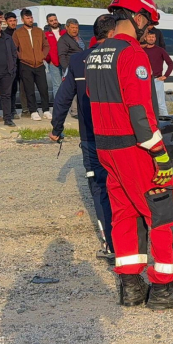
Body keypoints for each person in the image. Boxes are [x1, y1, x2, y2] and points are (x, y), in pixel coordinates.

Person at [85, 0, 173, 309]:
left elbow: (94, 100)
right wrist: (160, 154)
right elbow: (139, 112)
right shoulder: (132, 54)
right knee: (165, 214)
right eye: (148, 26)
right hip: (134, 148)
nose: (148, 32)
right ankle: (163, 288)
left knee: (125, 215)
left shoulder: (97, 53)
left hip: (106, 148)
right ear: (137, 17)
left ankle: (131, 287)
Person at [50, 14, 117, 260]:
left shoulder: (78, 60)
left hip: (90, 137)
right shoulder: (121, 56)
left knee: (100, 188)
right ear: (111, 34)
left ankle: (112, 244)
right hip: (121, 137)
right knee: (122, 185)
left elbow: (63, 98)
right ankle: (134, 242)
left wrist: (56, 129)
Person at [13, 8, 52, 121]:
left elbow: (46, 46)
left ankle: (46, 110)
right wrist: (22, 57)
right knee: (29, 90)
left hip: (39, 64)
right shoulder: (18, 33)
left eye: (31, 18)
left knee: (43, 88)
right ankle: (33, 111)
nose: (30, 20)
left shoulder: (39, 31)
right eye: (27, 18)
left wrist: (42, 56)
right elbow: (14, 48)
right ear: (22, 19)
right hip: (26, 65)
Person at [142, 29, 173, 116]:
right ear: (145, 38)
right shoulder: (141, 50)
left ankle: (166, 123)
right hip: (144, 80)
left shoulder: (160, 50)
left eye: (153, 37)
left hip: (157, 80)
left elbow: (171, 64)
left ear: (155, 39)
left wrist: (165, 76)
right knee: (145, 103)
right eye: (149, 37)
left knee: (161, 104)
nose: (151, 39)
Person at [58, 18, 85, 118]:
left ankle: (79, 110)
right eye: (72, 27)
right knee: (72, 91)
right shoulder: (64, 39)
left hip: (81, 68)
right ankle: (74, 111)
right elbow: (62, 55)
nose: (75, 30)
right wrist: (66, 69)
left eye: (76, 28)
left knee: (80, 90)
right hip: (70, 69)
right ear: (67, 28)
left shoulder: (79, 38)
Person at [4, 12, 26, 119]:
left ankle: (25, 109)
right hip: (11, 65)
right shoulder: (5, 34)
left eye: (14, 21)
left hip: (22, 64)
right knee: (11, 89)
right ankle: (11, 110)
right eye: (10, 21)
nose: (13, 23)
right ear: (6, 22)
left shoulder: (20, 32)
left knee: (23, 88)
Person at [44, 13, 65, 101]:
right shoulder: (46, 33)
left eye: (55, 20)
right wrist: (49, 60)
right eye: (51, 21)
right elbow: (44, 48)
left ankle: (68, 107)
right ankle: (58, 106)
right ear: (48, 22)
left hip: (65, 62)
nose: (54, 22)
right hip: (54, 63)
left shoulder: (64, 31)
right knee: (57, 85)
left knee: (67, 84)